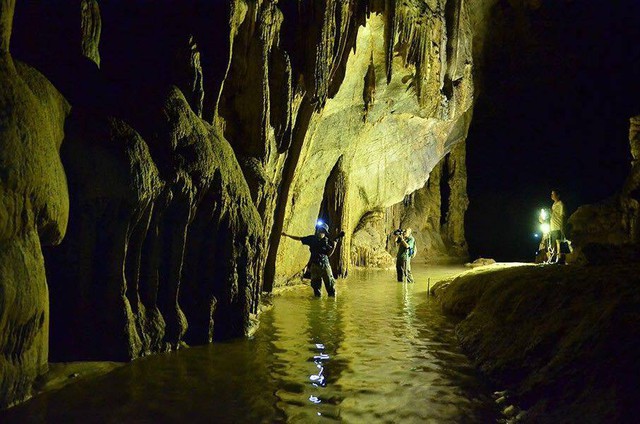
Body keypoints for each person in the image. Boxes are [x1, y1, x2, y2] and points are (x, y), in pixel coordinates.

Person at [282, 222, 337, 297]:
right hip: (315, 266)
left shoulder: (326, 241)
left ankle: (332, 306)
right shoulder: (312, 239)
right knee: (316, 290)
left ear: (325, 232)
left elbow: (329, 254)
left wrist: (334, 247)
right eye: (320, 229)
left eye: (323, 230)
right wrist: (287, 235)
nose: (321, 231)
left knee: (331, 289)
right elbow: (299, 238)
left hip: (325, 266)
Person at [549, 189, 565, 263]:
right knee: (553, 243)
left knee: (559, 243)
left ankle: (560, 258)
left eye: (553, 194)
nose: (552, 195)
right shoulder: (554, 204)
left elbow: (562, 215)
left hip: (558, 226)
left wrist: (562, 226)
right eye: (551, 194)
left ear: (558, 195)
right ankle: (555, 258)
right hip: (552, 227)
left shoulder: (560, 204)